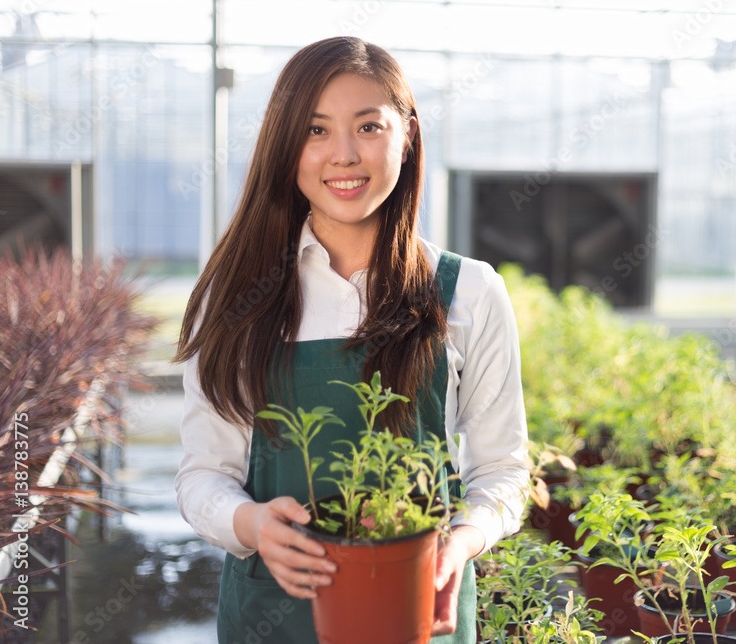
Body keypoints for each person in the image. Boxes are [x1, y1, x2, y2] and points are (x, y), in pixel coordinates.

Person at [173, 36, 530, 643]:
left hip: (420, 608)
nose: (343, 155)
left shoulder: (468, 291)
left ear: (407, 135)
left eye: (368, 127)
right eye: (315, 131)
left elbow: (502, 469)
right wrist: (252, 523)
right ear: (285, 146)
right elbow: (202, 474)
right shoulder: (237, 297)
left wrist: (459, 543)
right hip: (276, 612)